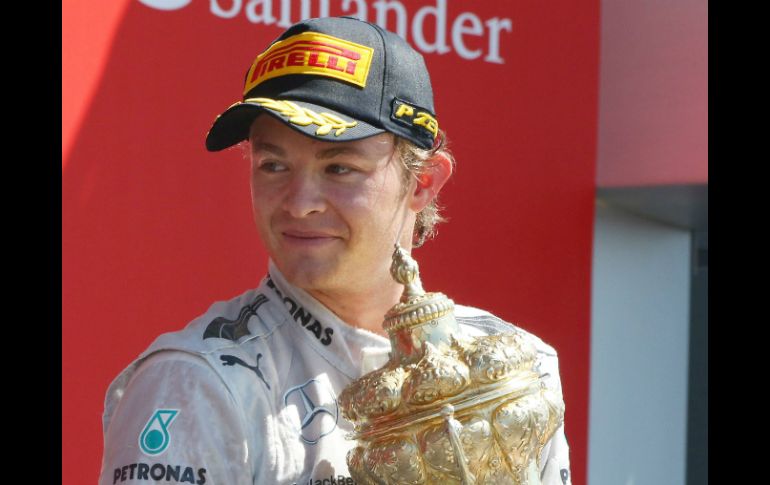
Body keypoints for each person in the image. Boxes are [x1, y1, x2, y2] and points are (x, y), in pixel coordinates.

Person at [98, 16, 572, 485]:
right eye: (273, 164)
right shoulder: (197, 383)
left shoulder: (515, 370)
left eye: (339, 168)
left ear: (423, 183)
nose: (300, 204)